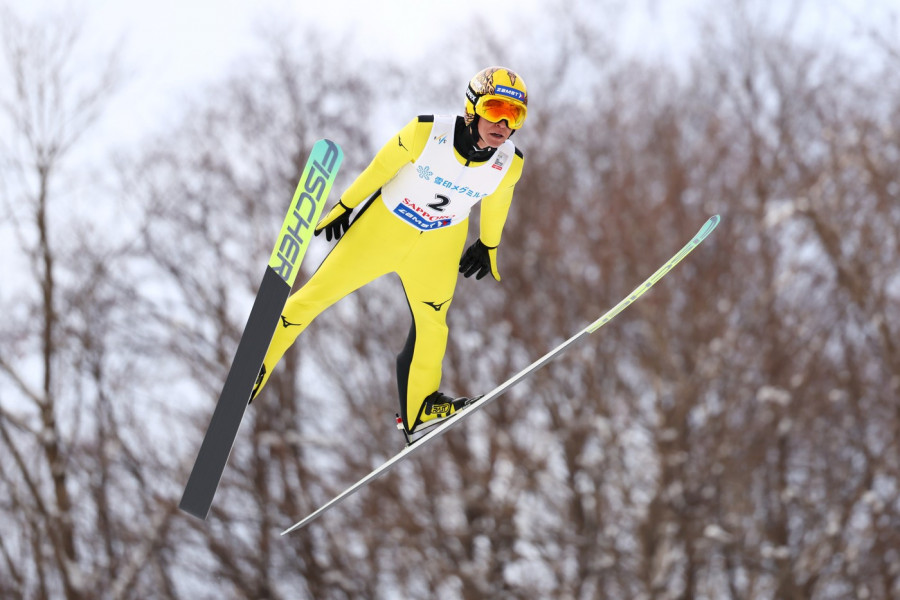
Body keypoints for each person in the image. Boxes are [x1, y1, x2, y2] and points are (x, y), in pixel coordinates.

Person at [251, 66, 528, 434]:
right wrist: (347, 204)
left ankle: (419, 407)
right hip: (386, 226)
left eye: (515, 116)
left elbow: (498, 201)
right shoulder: (427, 132)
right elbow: (381, 167)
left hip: (439, 241)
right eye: (496, 110)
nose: (503, 124)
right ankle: (258, 364)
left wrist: (488, 243)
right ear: (472, 108)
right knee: (316, 296)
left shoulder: (509, 163)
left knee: (433, 324)